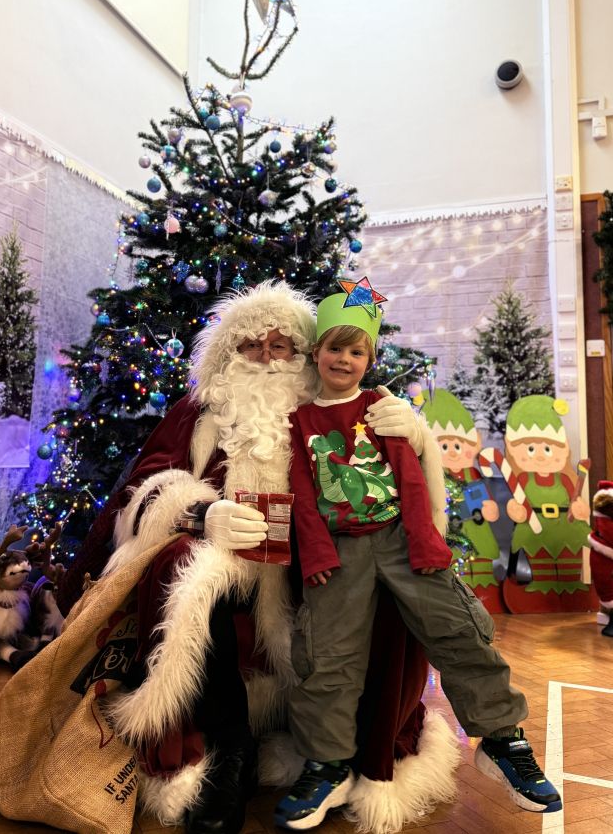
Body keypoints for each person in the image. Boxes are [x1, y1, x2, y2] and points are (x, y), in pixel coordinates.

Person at [56, 280, 459, 834]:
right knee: (185, 566)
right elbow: (143, 486)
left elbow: (404, 491)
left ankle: (353, 750)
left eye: (280, 346)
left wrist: (417, 437)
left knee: (382, 575)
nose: (266, 358)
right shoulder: (200, 412)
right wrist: (200, 514)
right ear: (229, 353)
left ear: (303, 353)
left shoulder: (341, 409)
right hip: (228, 558)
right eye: (251, 346)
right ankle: (229, 748)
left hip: (320, 557)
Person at [275, 282, 562, 831]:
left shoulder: (381, 407)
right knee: (328, 656)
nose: (344, 359)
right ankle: (327, 764)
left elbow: (410, 476)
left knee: (459, 628)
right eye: (335, 348)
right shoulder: (299, 421)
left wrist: (427, 539)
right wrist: (313, 552)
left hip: (401, 538)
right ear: (316, 352)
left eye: (356, 351)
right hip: (338, 550)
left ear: (369, 359)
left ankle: (502, 740)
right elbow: (302, 493)